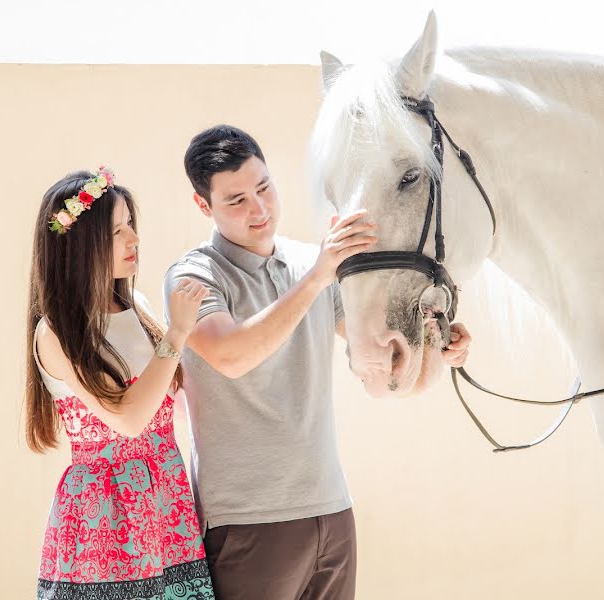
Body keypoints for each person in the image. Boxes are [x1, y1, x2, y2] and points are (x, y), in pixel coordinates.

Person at [163, 126, 472, 599]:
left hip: (331, 509)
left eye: (264, 187)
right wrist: (316, 277)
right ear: (203, 206)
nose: (260, 209)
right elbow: (231, 355)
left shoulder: (311, 262)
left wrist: (439, 340)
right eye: (237, 200)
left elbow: (380, 353)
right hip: (248, 521)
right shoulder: (193, 275)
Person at [25, 167, 216, 599]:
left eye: (131, 225)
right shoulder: (55, 333)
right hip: (104, 515)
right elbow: (128, 419)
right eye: (117, 231)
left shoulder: (139, 306)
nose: (133, 239)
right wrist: (177, 334)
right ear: (78, 245)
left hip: (164, 499)